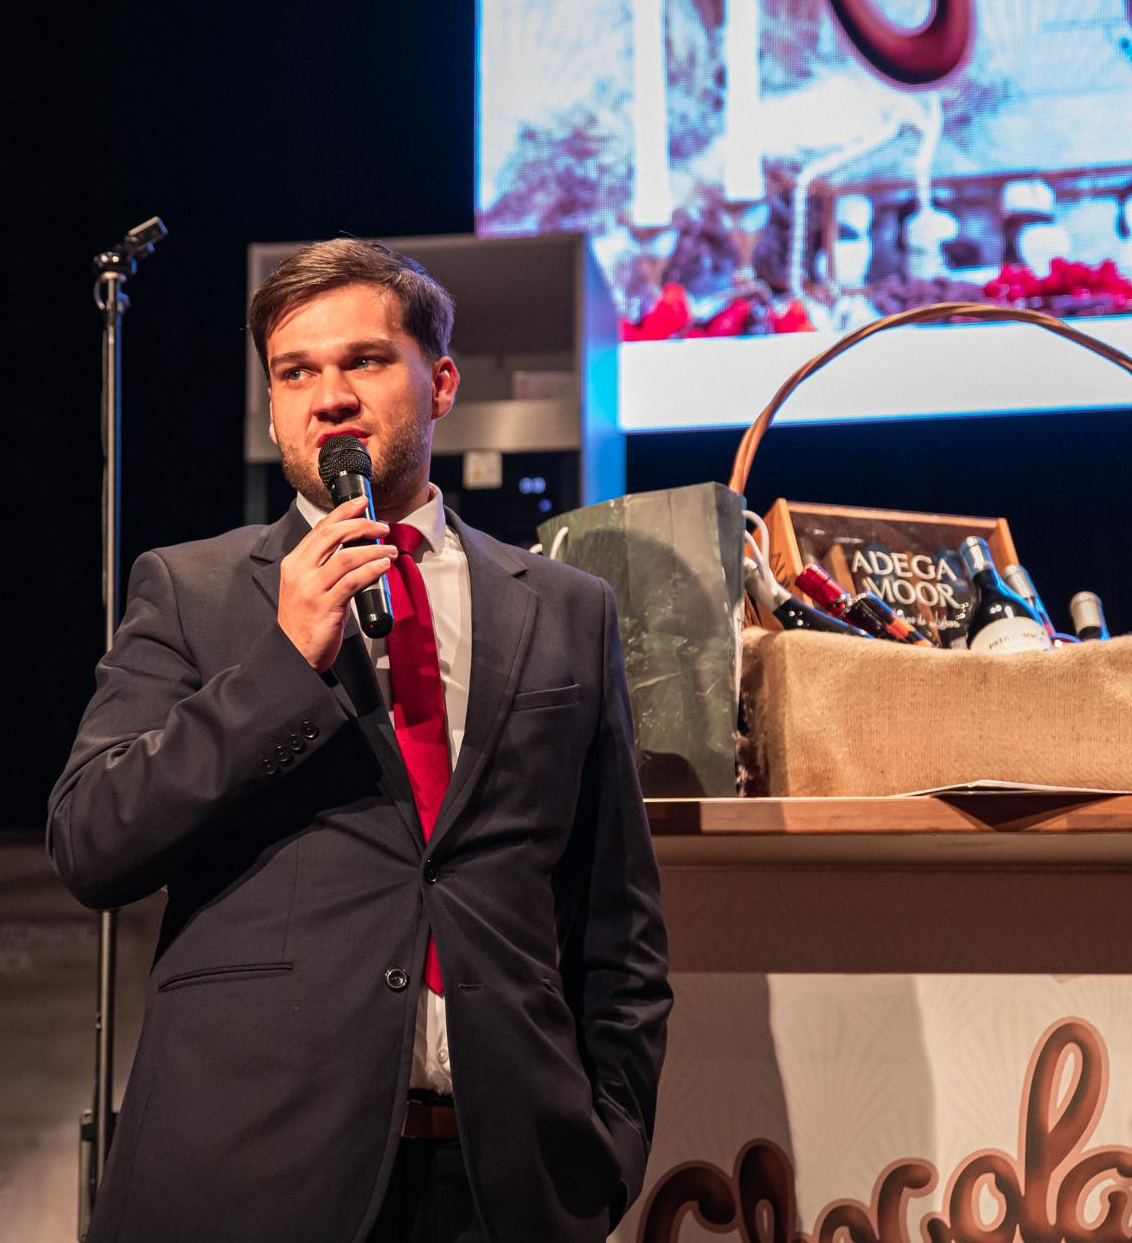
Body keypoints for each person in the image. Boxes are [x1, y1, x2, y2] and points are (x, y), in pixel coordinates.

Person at [48, 237, 671, 1242]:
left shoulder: (566, 608)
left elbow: (618, 925)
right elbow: (92, 840)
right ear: (270, 406)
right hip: (248, 1172)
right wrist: (280, 663)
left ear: (441, 384)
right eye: (294, 372)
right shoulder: (193, 590)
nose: (327, 395)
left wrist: (601, 1152)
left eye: (365, 361)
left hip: (504, 1181)